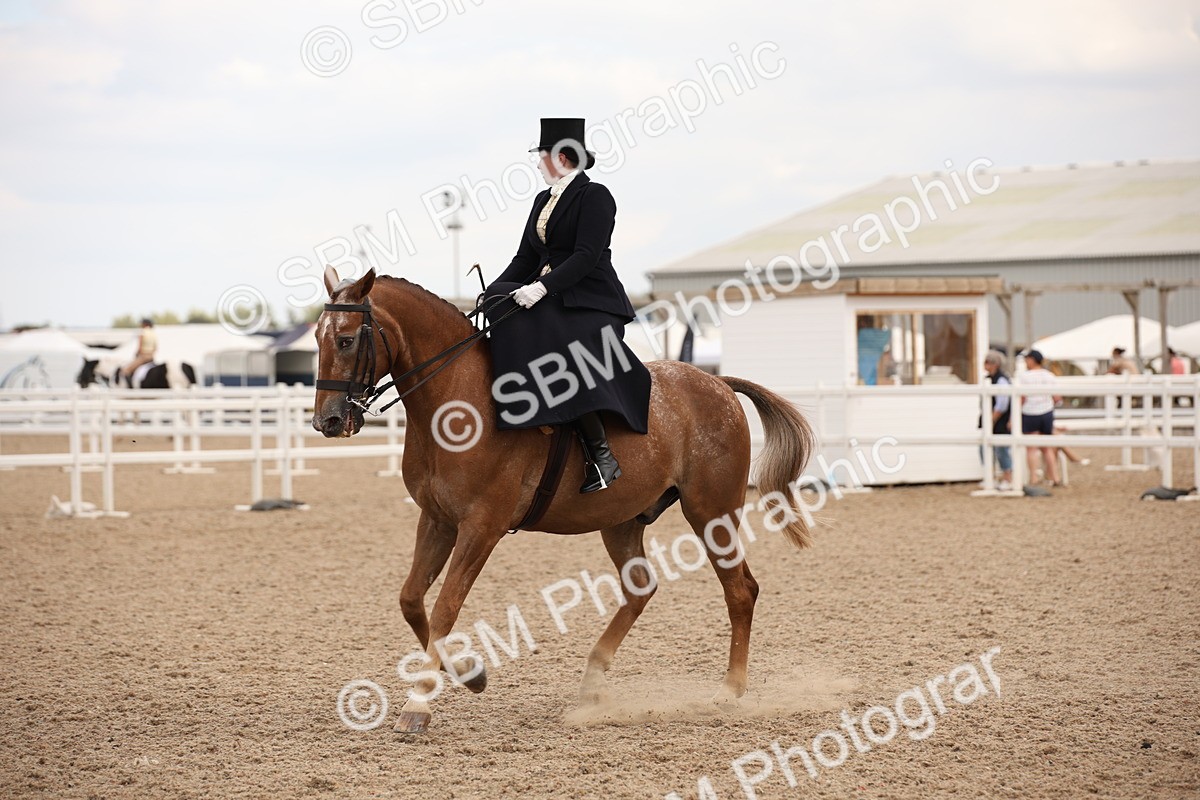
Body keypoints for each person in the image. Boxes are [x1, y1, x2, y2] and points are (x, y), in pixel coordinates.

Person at [484, 118, 651, 493]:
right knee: (499, 304)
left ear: (560, 157)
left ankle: (602, 455)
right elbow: (525, 257)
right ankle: (527, 406)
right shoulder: (543, 200)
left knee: (565, 346)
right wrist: (493, 293)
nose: (538, 163)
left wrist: (541, 288)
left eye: (540, 156)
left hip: (592, 302)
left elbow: (586, 256)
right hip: (556, 296)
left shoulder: (596, 196)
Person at [1018, 349, 1062, 486]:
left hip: (1030, 412)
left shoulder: (1024, 377)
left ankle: (1033, 478)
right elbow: (1057, 398)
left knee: (1031, 448)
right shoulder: (1049, 376)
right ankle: (1055, 477)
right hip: (1046, 412)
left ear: (1031, 360)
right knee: (1047, 447)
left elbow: (1022, 398)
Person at [980, 350, 1013, 490]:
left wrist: (992, 419)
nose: (985, 364)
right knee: (984, 448)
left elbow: (1002, 403)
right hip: (993, 419)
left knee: (1002, 449)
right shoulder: (990, 379)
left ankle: (1008, 478)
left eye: (987, 362)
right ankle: (991, 477)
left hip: (999, 420)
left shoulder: (1001, 380)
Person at [122, 318, 158, 384]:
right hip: (151, 357)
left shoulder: (143, 332)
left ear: (145, 324)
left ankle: (130, 387)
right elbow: (155, 348)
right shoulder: (153, 333)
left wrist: (137, 354)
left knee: (126, 370)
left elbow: (140, 346)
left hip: (143, 357)